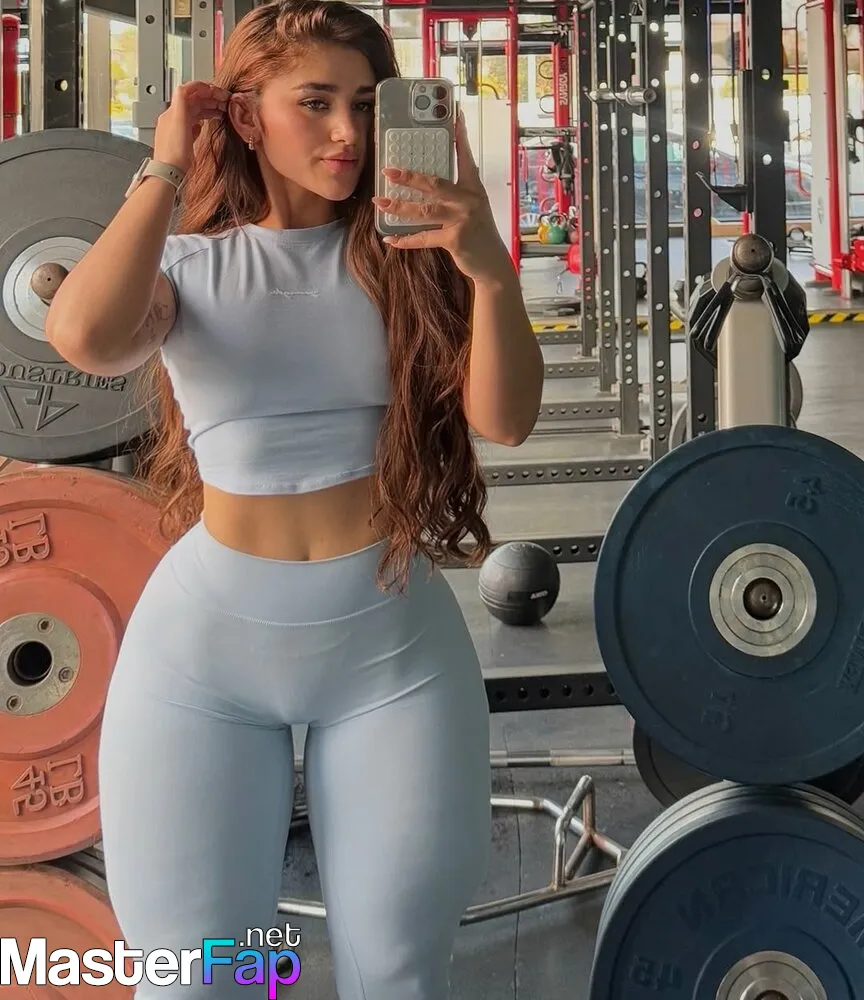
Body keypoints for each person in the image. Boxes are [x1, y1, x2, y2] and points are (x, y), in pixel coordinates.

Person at [46, 1, 543, 996]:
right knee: (204, 976)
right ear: (244, 115)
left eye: (365, 102)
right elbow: (85, 337)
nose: (348, 131)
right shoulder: (188, 267)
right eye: (314, 102)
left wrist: (488, 265)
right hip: (203, 660)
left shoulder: (414, 267)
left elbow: (507, 419)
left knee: (396, 971)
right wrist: (165, 166)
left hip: (392, 651)